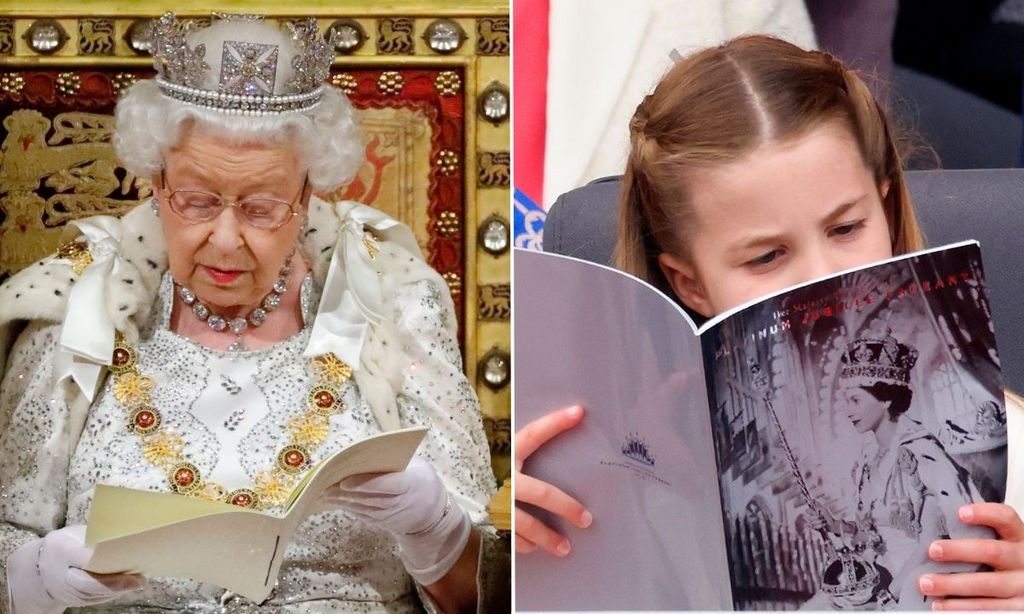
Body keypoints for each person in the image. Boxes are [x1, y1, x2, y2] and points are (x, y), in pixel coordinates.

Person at [0, 13, 504, 613]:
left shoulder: (394, 303)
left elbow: (488, 600)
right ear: (156, 184)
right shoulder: (76, 305)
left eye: (262, 207)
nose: (225, 238)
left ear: (307, 195)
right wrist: (31, 580)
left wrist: (435, 531)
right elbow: (12, 528)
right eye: (196, 200)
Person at [516, 34, 1024, 610]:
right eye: (766, 257)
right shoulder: (610, 464)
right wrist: (526, 560)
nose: (821, 276)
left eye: (845, 229)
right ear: (690, 284)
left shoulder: (999, 438)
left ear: (884, 208)